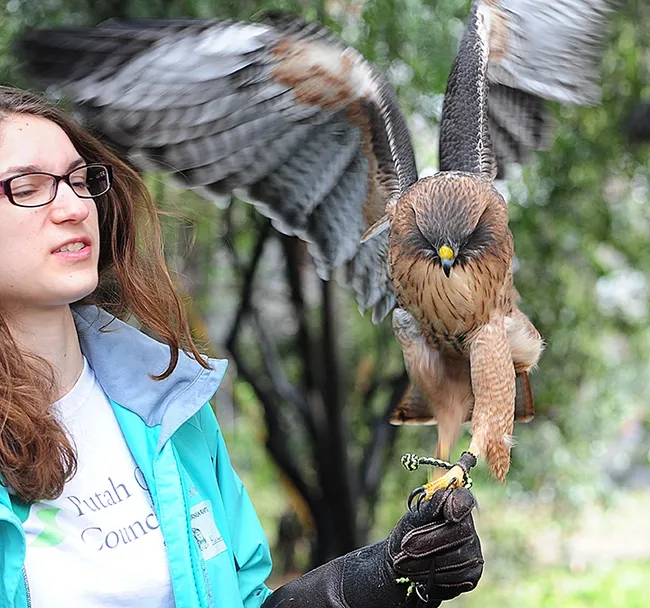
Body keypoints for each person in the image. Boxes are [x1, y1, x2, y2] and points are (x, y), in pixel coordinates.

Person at [0, 84, 483, 608]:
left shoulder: (169, 404)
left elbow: (242, 598)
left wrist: (383, 578)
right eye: (26, 187)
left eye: (80, 179)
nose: (73, 205)